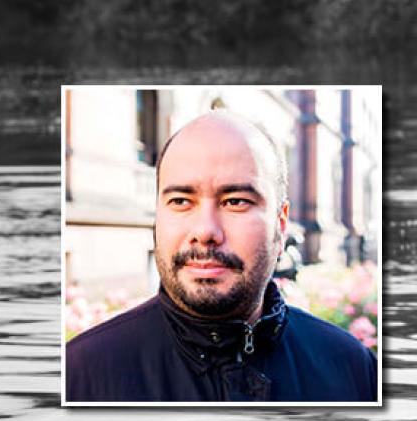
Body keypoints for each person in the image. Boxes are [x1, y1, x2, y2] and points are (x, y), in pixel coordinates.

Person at [65, 110, 377, 402]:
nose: (205, 231)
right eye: (181, 201)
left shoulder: (353, 370)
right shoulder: (79, 378)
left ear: (280, 225)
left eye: (236, 201)